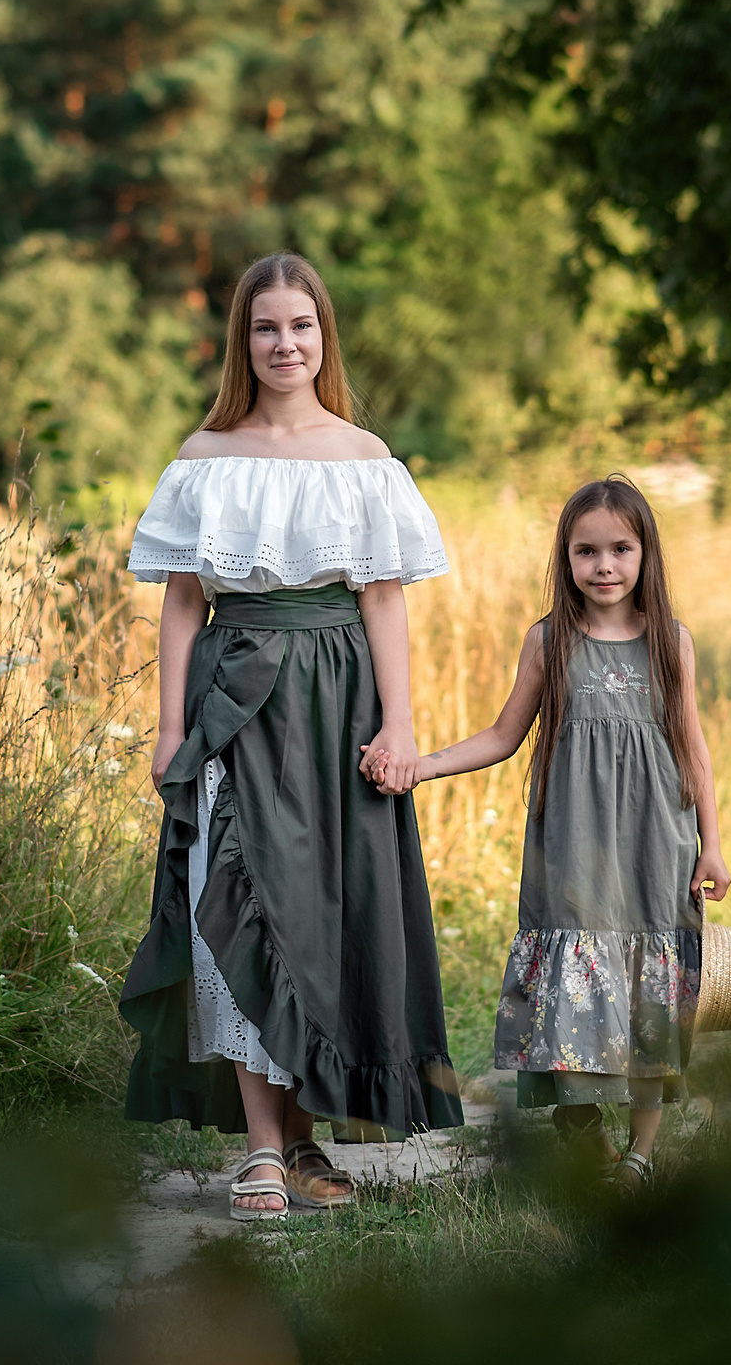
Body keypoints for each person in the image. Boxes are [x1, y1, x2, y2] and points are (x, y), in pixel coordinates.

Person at [119, 251, 464, 1222]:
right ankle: (261, 1150)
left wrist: (399, 724)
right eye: (265, 328)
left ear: (323, 338)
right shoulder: (203, 459)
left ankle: (305, 1134)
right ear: (244, 340)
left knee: (328, 913)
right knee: (229, 900)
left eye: (300, 327)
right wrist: (169, 723)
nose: (284, 344)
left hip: (340, 698)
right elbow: (183, 605)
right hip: (235, 695)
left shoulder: (362, 457)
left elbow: (384, 601)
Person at [369, 476, 730, 1192]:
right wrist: (423, 765)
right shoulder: (550, 641)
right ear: (565, 559)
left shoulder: (671, 643)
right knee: (575, 987)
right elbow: (506, 735)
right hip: (573, 850)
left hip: (656, 845)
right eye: (586, 551)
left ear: (645, 553)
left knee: (649, 994)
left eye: (620, 549)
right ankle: (584, 1125)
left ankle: (641, 1155)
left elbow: (694, 749)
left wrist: (711, 845)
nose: (604, 566)